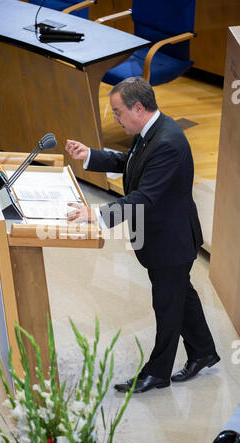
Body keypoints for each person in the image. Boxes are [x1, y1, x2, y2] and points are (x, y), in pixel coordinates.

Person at [65, 76, 220, 394]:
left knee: (167, 305)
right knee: (181, 295)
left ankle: (157, 373)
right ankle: (203, 352)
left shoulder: (168, 142)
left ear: (138, 107)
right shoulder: (150, 131)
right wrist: (90, 155)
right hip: (158, 237)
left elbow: (143, 199)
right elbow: (129, 162)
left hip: (171, 242)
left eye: (117, 112)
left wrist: (94, 214)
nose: (115, 118)